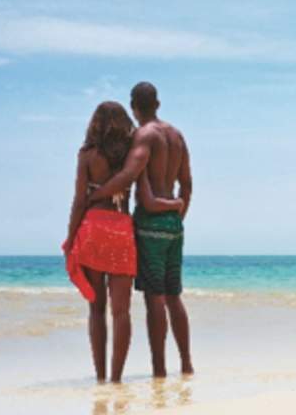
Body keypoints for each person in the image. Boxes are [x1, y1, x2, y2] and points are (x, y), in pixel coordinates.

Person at [64, 101, 183, 383]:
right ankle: (117, 378)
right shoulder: (130, 156)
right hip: (122, 232)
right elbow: (139, 189)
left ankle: (101, 377)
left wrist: (71, 238)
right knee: (121, 312)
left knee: (96, 309)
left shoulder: (87, 156)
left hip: (94, 228)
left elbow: (79, 201)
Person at [89, 82, 194, 376]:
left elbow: (128, 175)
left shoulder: (143, 137)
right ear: (157, 104)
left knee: (155, 298)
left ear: (134, 108)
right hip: (174, 225)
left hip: (150, 224)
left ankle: (159, 369)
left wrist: (95, 195)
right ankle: (186, 364)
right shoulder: (177, 136)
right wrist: (177, 216)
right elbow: (186, 184)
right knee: (174, 295)